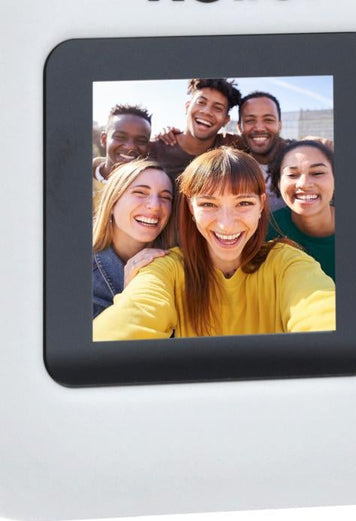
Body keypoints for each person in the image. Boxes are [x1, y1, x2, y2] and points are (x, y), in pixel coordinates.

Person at [93, 147, 334, 340]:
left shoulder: (287, 263)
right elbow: (130, 320)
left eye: (244, 203)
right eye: (208, 204)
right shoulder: (166, 269)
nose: (226, 224)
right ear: (190, 208)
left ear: (261, 204)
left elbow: (322, 312)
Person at [91, 158, 176, 317]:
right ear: (112, 202)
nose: (155, 206)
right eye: (140, 193)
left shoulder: (178, 263)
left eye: (165, 197)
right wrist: (129, 295)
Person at [147, 78, 243, 184]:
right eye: (201, 102)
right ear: (187, 106)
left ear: (226, 120)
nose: (206, 111)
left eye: (218, 108)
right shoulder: (153, 150)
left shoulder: (232, 146)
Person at [268, 139, 336, 280]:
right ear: (278, 182)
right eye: (292, 175)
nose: (304, 184)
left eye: (317, 173)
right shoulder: (265, 230)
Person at [92, 104, 153, 210]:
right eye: (120, 137)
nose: (130, 146)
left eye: (141, 141)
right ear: (104, 139)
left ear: (148, 147)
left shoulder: (153, 190)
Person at [238, 90, 288, 211]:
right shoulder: (231, 167)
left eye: (268, 120)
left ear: (279, 125)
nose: (259, 128)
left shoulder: (300, 162)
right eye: (250, 120)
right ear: (239, 127)